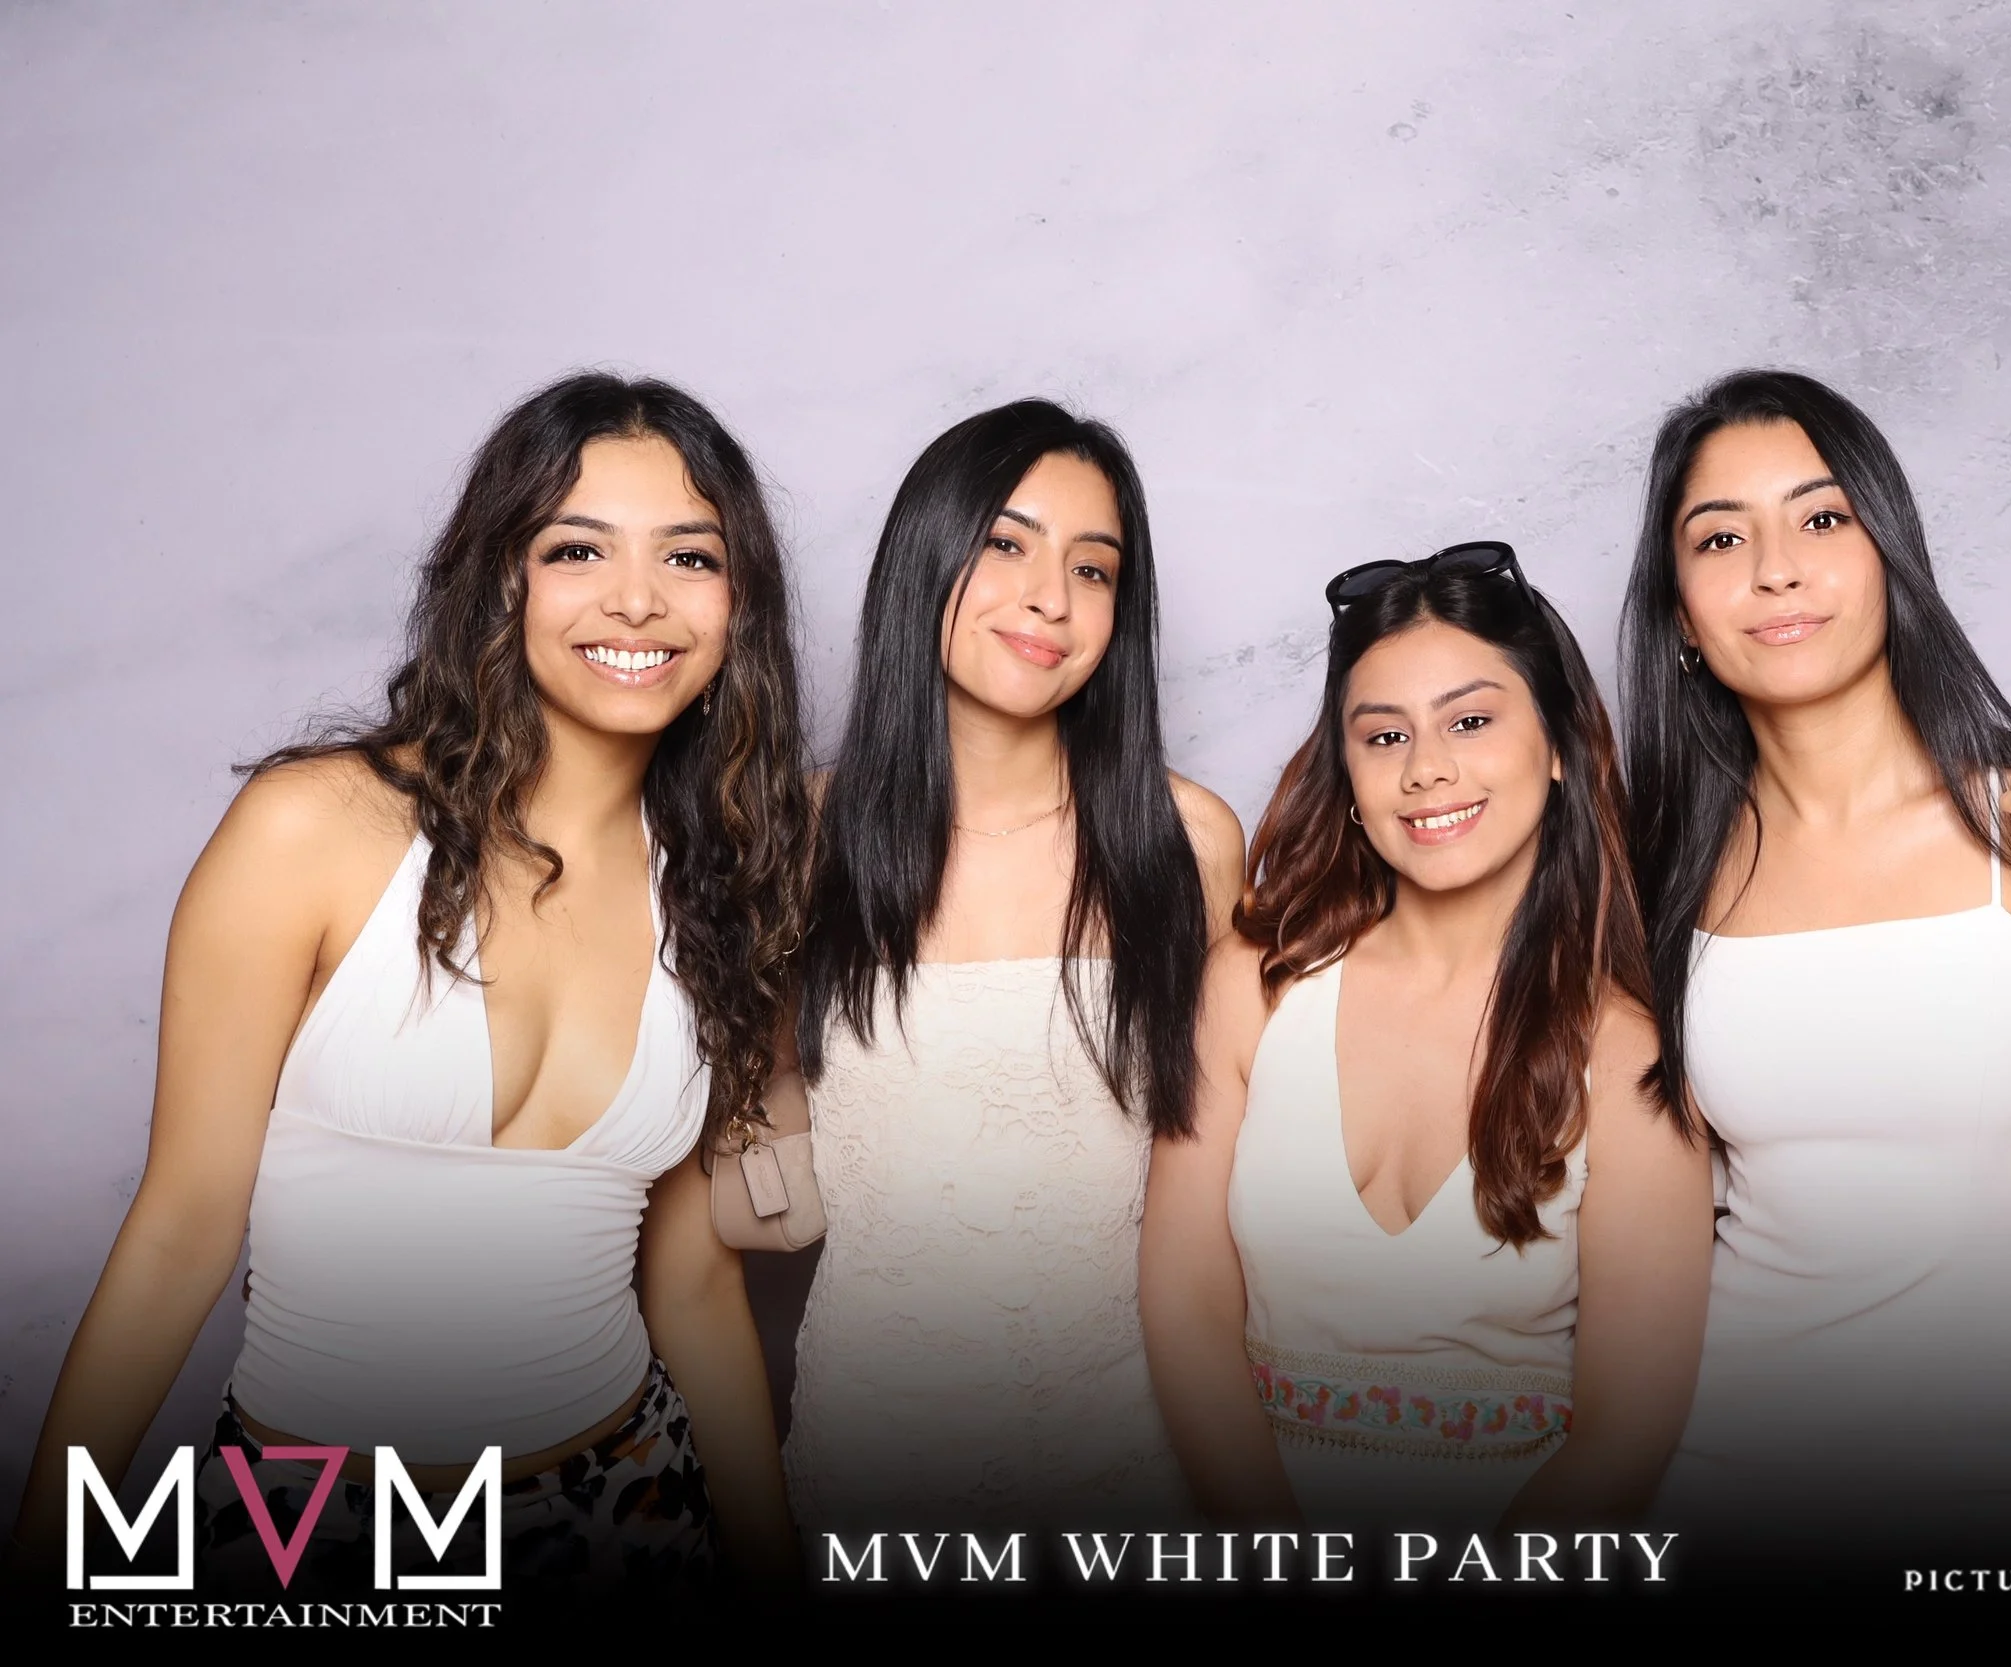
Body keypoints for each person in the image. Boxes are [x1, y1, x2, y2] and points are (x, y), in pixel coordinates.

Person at [6, 374, 812, 1602]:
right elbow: (178, 1231)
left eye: (689, 556)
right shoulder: (312, 829)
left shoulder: (729, 880)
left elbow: (693, 1278)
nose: (637, 599)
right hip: (312, 1525)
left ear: (736, 599)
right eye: (577, 547)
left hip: (633, 1505)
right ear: (503, 575)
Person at [1617, 369, 2011, 1566]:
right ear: (1680, 614)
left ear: (1891, 553)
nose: (1775, 567)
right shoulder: (1654, 868)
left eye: (1821, 519)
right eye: (1720, 538)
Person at [1140, 543, 1714, 1536]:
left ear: (1560, 744)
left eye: (1471, 719)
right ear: (1348, 769)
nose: (1426, 768)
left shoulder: (1626, 1052)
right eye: (1383, 735)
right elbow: (1183, 1306)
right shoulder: (1255, 982)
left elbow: (1627, 1428)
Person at [781, 399, 1242, 1533]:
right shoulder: (801, 837)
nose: (1051, 597)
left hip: (1132, 1468)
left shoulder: (1189, 842)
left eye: (1095, 568)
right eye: (1006, 542)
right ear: (923, 554)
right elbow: (730, 1172)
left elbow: (1243, 1176)